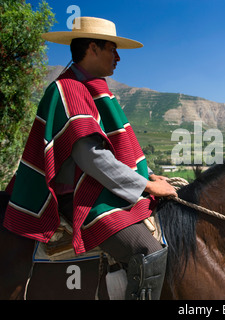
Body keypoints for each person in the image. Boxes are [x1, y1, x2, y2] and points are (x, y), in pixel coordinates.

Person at [3, 17, 177, 300]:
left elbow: (112, 150)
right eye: (112, 48)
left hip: (96, 185)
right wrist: (147, 187)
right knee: (147, 251)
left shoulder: (89, 88)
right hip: (79, 195)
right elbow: (92, 158)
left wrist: (146, 176)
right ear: (93, 48)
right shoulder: (69, 90)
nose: (118, 57)